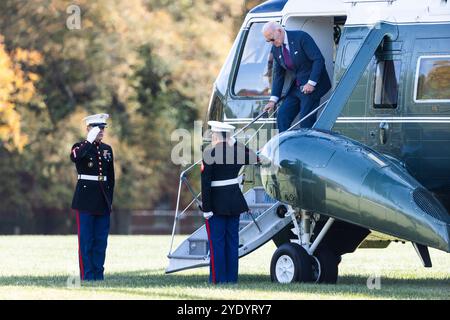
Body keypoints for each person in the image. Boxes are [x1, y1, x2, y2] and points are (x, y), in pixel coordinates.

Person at [201, 121, 258, 284]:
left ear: (217, 136)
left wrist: (206, 208)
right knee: (232, 242)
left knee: (217, 243)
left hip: (216, 204)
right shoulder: (237, 152)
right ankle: (231, 279)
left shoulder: (209, 153)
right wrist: (236, 143)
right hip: (234, 202)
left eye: (213, 134)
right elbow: (255, 157)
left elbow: (206, 184)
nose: (212, 137)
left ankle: (218, 280)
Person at [262, 21, 332, 132]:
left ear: (279, 31)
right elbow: (278, 75)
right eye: (268, 41)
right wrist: (273, 100)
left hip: (313, 86)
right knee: (282, 116)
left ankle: (306, 147)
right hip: (296, 87)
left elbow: (318, 59)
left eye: (272, 39)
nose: (271, 43)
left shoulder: (301, 37)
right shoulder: (275, 48)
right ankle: (285, 146)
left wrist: (311, 83)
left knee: (305, 121)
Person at [70, 113, 115, 281]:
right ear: (88, 129)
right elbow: (75, 157)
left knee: (100, 242)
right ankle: (87, 275)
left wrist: (109, 200)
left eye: (103, 128)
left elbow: (111, 177)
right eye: (98, 128)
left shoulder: (107, 149)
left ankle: (98, 275)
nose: (102, 131)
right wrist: (88, 141)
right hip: (85, 200)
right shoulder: (80, 146)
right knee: (86, 241)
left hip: (102, 200)